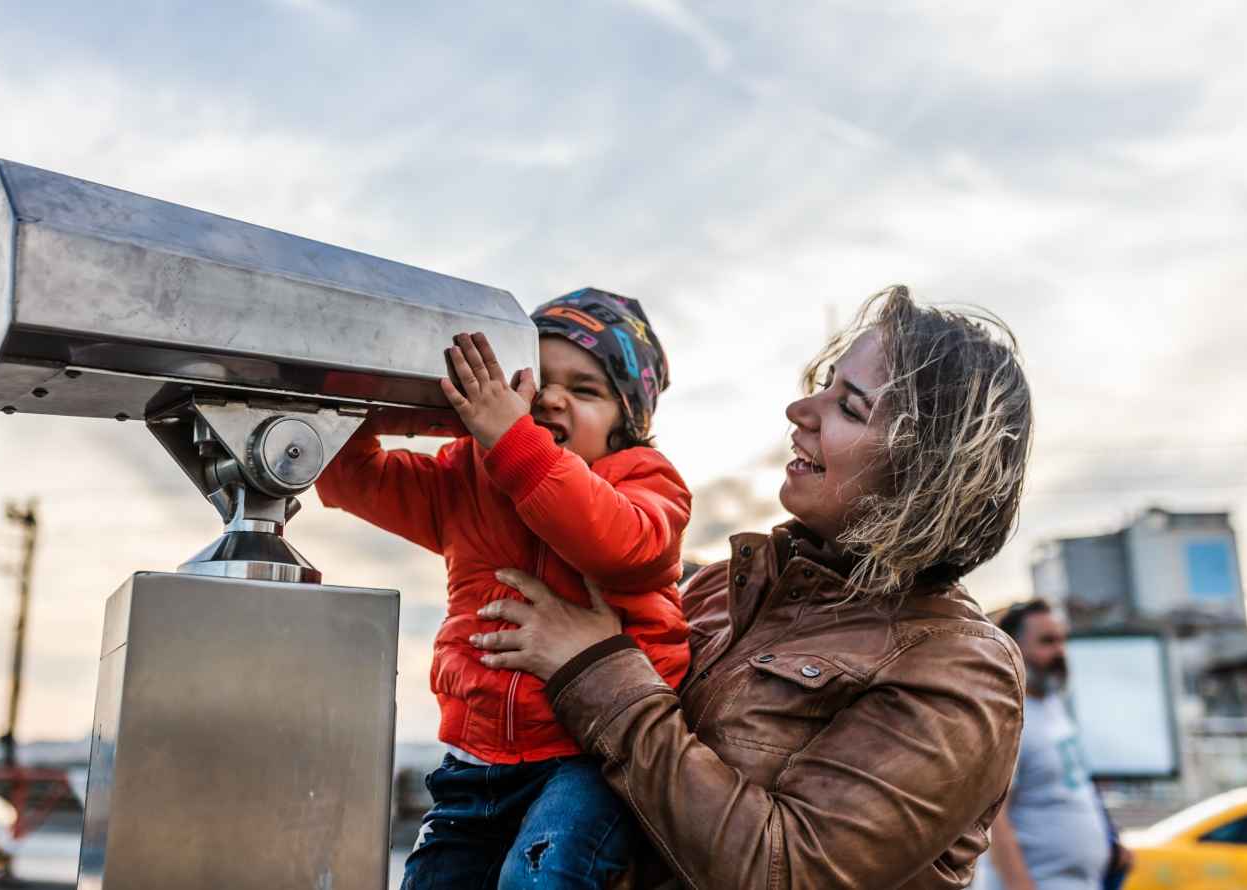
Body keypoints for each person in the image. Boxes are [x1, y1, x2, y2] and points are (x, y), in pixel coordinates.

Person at [471, 285, 1034, 888]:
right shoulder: (722, 586)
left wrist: (594, 667)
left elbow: (787, 871)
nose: (800, 410)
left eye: (849, 408)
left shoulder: (959, 669)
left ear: (929, 469)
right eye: (824, 385)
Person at [316, 288, 691, 889]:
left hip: (590, 757)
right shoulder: (466, 476)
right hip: (475, 761)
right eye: (535, 381)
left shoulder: (647, 481)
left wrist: (514, 441)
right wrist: (426, 410)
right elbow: (346, 472)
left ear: (627, 425)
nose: (551, 399)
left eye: (585, 389)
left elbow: (620, 544)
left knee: (538, 877)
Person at [988, 600, 1133, 890]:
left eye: (1062, 641)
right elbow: (994, 817)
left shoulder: (1052, 704)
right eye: (1047, 642)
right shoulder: (1007, 716)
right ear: (1013, 648)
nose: (1060, 651)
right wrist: (1019, 885)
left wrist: (1110, 844)